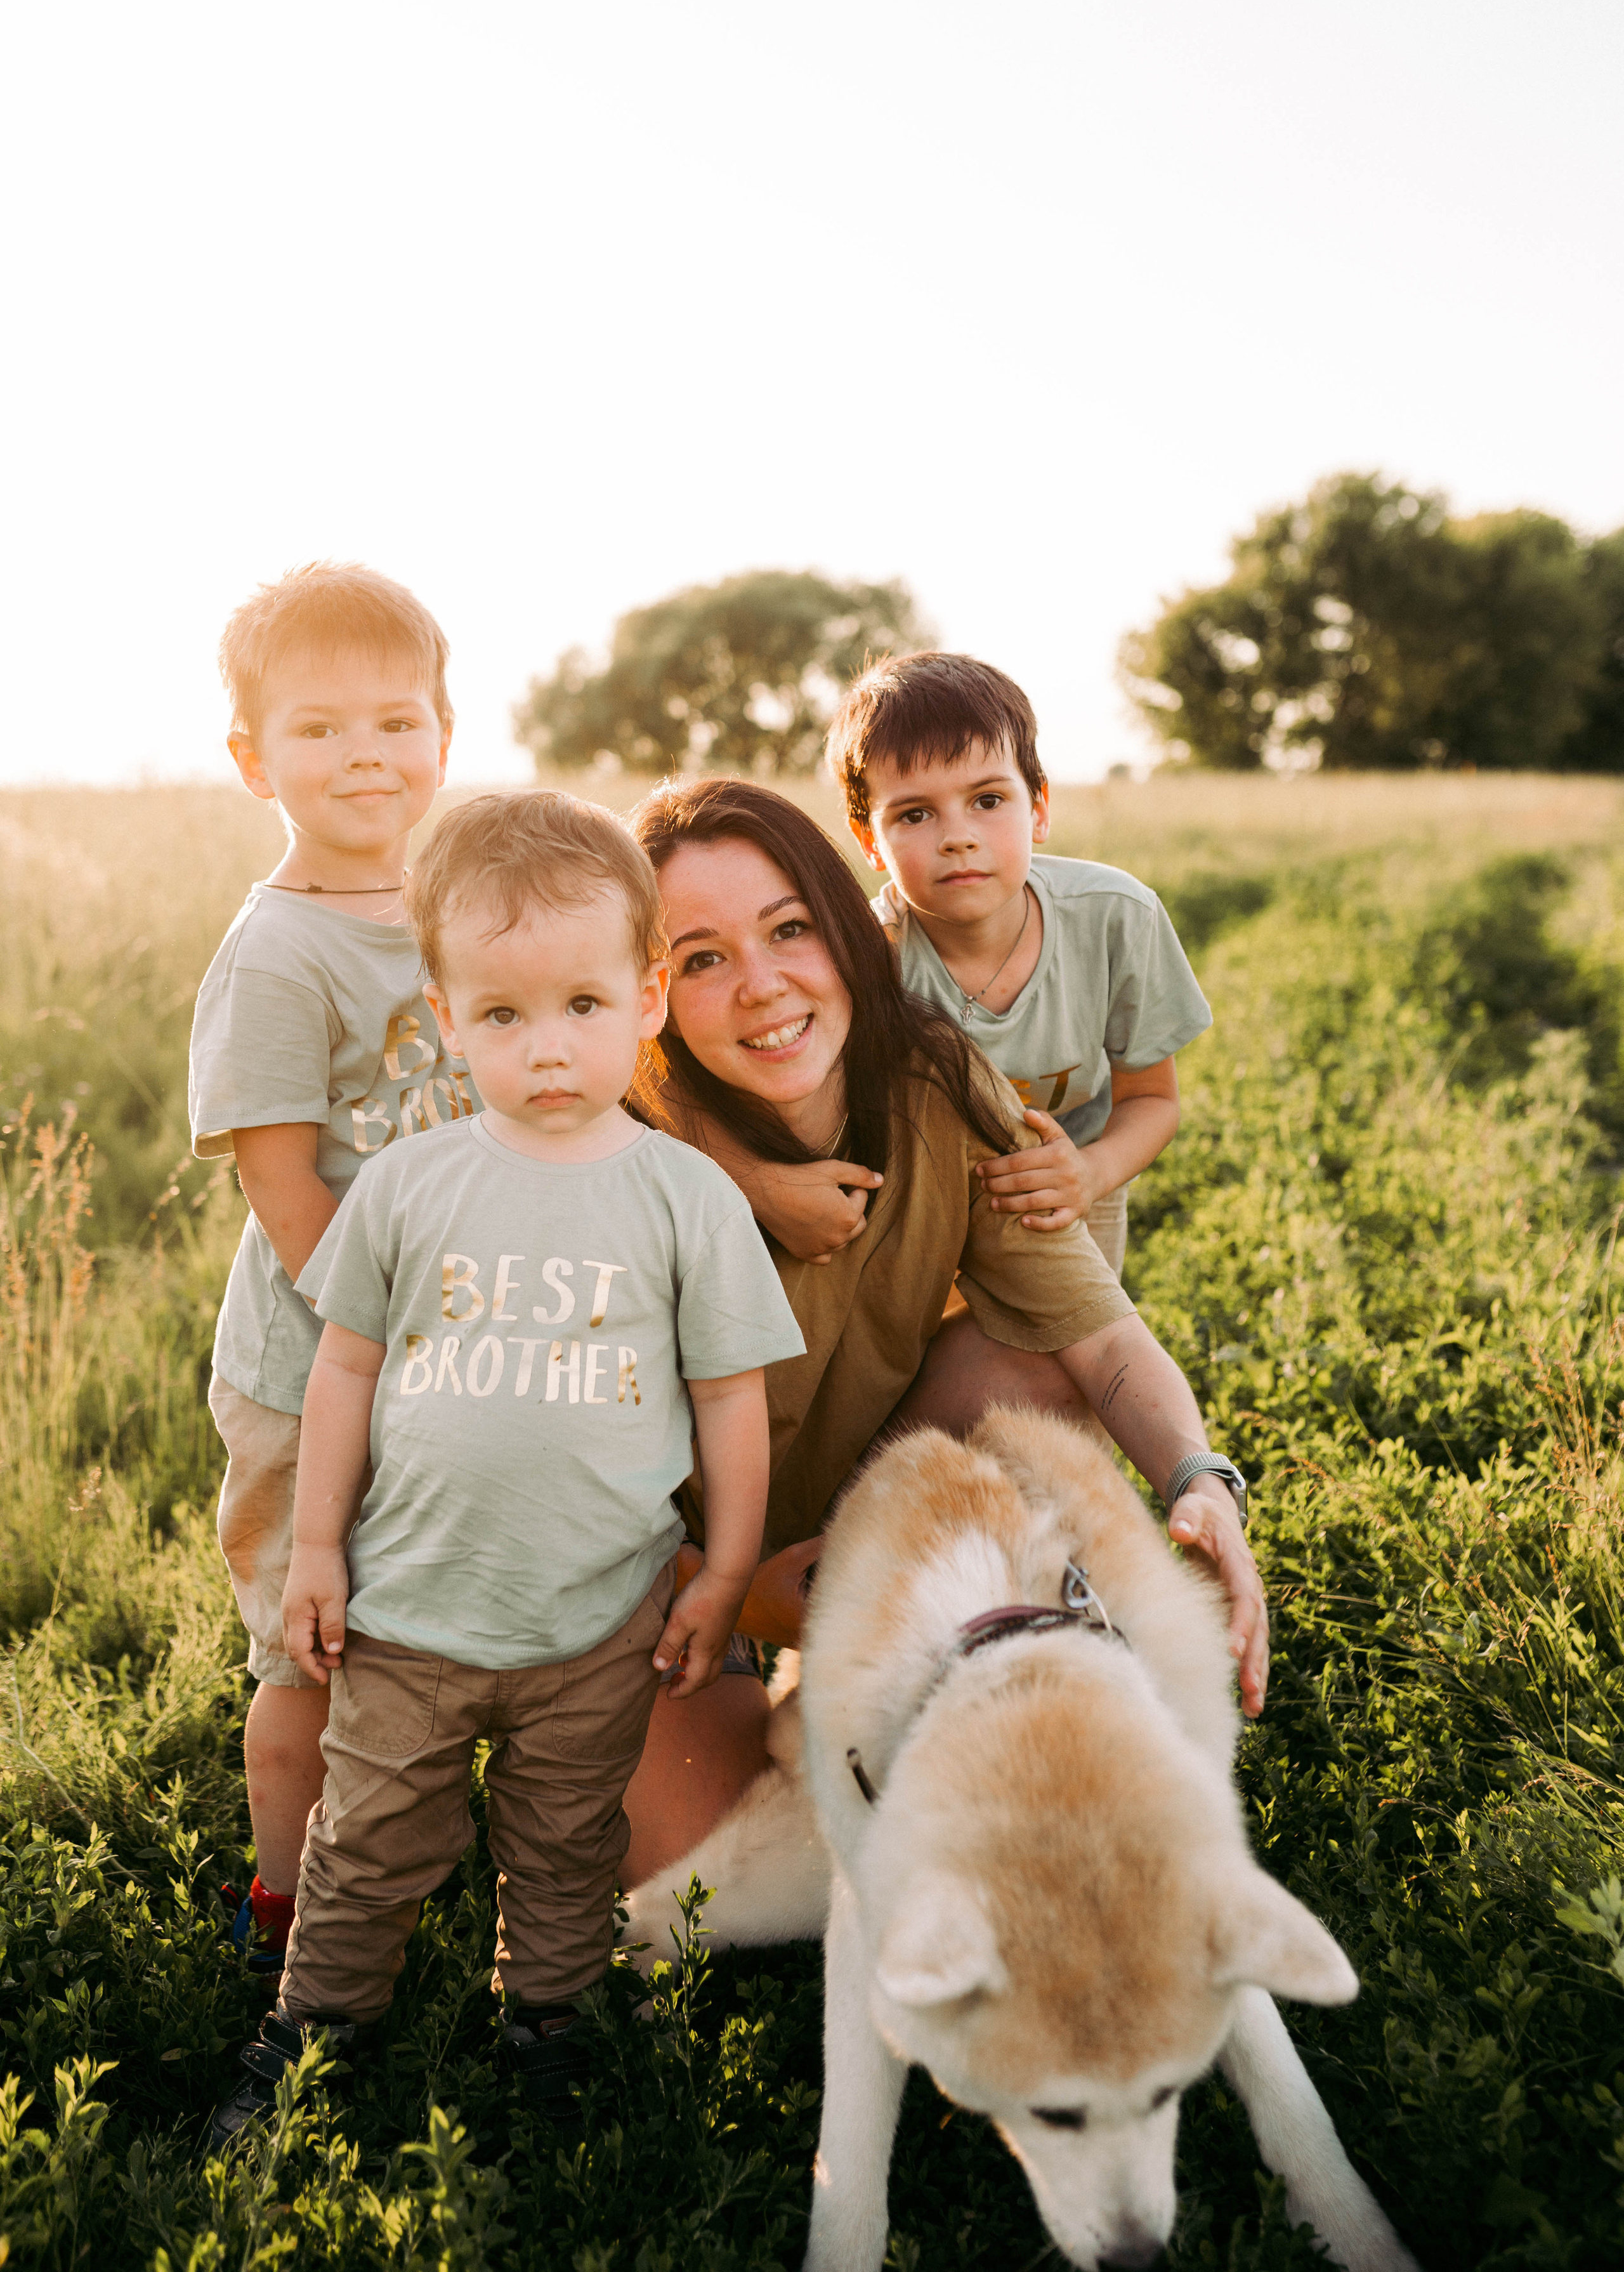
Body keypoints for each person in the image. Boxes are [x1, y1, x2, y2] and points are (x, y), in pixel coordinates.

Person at [209, 791, 803, 2143]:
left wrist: (723, 1573)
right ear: (445, 1015)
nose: (547, 1047)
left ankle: (547, 2026)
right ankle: (314, 2036)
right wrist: (317, 1549)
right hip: (411, 1609)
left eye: (584, 1005)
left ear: (648, 996)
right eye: (503, 1014)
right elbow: (344, 1374)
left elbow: (730, 1399)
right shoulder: (409, 1187)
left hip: (596, 1621)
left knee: (564, 1843)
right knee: (366, 1844)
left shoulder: (683, 1197)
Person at [619, 777, 1267, 1889]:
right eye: (702, 958)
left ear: (847, 929)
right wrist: (725, 1589)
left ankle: (923, 1638)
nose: (763, 985)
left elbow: (1101, 1340)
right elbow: (551, 1487)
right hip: (662, 1573)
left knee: (1039, 1361)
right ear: (648, 994)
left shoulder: (938, 1079)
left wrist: (1199, 1479)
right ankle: (824, 1676)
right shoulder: (609, 1147)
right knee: (696, 1887)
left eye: (789, 930)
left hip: (857, 1511)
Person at [189, 561, 476, 1974]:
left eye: (396, 720)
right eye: (319, 728)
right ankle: (287, 1906)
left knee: (431, 1615)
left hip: (458, 1349)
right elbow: (285, 1187)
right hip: (316, 1368)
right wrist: (389, 1342)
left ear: (444, 737)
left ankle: (425, 1856)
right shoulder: (277, 951)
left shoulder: (458, 908)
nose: (366, 753)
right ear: (255, 761)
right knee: (314, 1647)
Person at [822, 648, 1211, 1278]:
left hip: (1073, 1167)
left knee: (1078, 1327)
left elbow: (1151, 1099)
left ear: (1038, 808)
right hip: (920, 1187)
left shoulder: (1114, 917)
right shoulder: (868, 955)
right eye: (915, 814)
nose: (958, 836)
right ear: (869, 838)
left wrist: (1090, 1174)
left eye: (987, 800)